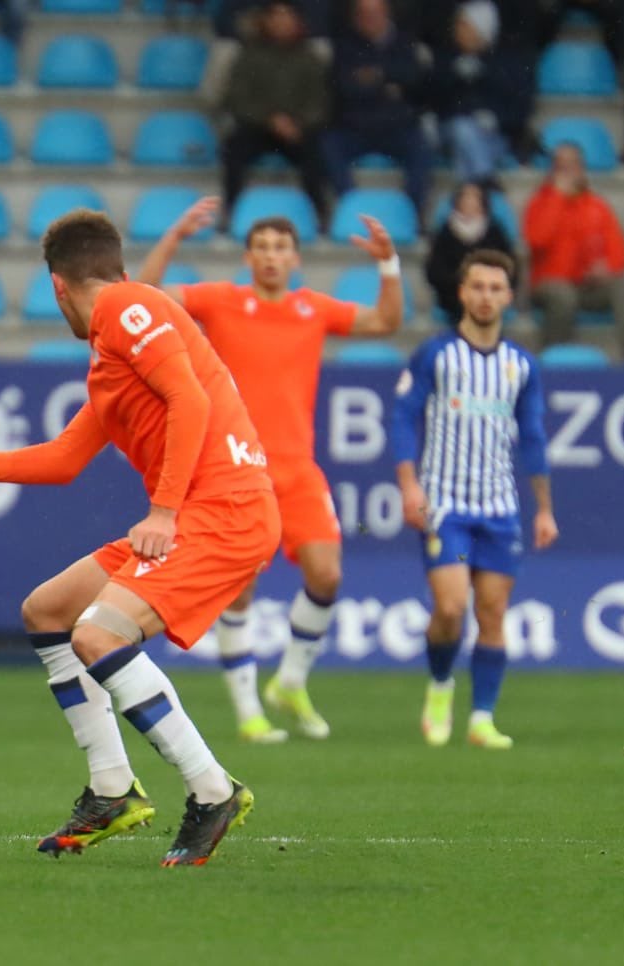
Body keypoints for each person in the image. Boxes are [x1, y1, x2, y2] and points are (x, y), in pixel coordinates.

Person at [0, 210, 274, 867]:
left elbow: (189, 400)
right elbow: (63, 459)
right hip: (203, 510)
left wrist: (162, 511)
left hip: (222, 510)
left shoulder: (127, 308)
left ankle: (211, 788)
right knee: (49, 609)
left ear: (57, 287)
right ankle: (112, 789)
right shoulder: (113, 359)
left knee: (98, 635)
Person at [135, 195, 403, 742]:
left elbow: (385, 322)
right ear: (248, 258)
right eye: (261, 248)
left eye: (281, 248)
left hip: (298, 468)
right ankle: (248, 711)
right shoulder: (222, 301)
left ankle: (290, 681)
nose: (271, 257)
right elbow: (148, 299)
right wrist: (174, 238)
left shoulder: (313, 308)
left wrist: (388, 264)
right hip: (236, 467)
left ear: (296, 258)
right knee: (241, 590)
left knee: (327, 574)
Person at [390, 249, 556, 749]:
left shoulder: (520, 365)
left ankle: (482, 717)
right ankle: (441, 686)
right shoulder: (437, 355)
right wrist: (409, 484)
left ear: (508, 296)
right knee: (450, 605)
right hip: (445, 505)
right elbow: (402, 417)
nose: (486, 296)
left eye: (495, 288)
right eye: (477, 287)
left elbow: (532, 436)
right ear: (462, 293)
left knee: (492, 610)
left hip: (500, 508)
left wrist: (544, 507)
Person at [218, 0, 331, 224]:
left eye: (287, 16)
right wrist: (270, 120)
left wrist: (298, 123)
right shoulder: (249, 54)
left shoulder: (309, 57)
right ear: (266, 21)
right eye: (276, 16)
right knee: (233, 148)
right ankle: (231, 211)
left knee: (317, 151)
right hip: (258, 128)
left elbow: (321, 101)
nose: (282, 22)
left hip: (297, 130)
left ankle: (320, 213)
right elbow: (237, 99)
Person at [325, 0, 434, 215]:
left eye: (375, 13)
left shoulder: (405, 43)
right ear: (356, 17)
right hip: (356, 127)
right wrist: (388, 84)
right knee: (328, 145)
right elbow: (343, 87)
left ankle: (410, 213)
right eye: (364, 14)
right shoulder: (344, 45)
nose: (370, 19)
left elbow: (414, 81)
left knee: (422, 148)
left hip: (397, 127)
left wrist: (374, 76)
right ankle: (351, 207)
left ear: (386, 14)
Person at [523, 141, 624, 354]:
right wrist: (557, 198)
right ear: (553, 170)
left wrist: (607, 269)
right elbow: (537, 240)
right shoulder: (540, 203)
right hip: (549, 284)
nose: (569, 171)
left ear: (582, 168)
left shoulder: (597, 205)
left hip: (589, 287)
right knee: (563, 296)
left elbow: (619, 250)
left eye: (574, 165)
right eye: (562, 166)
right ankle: (556, 362)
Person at [427, 1, 532, 188]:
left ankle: (469, 193)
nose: (457, 31)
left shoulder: (504, 63)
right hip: (450, 132)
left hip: (493, 137)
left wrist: (496, 118)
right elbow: (433, 100)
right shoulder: (446, 58)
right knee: (463, 130)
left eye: (465, 26)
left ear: (480, 30)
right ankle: (485, 181)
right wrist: (453, 76)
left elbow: (519, 107)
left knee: (468, 149)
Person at [425, 182, 517, 323]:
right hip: (453, 298)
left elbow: (510, 266)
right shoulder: (445, 232)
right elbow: (434, 271)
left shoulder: (495, 232)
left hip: (491, 295)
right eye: (466, 198)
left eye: (475, 198)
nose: (470, 202)